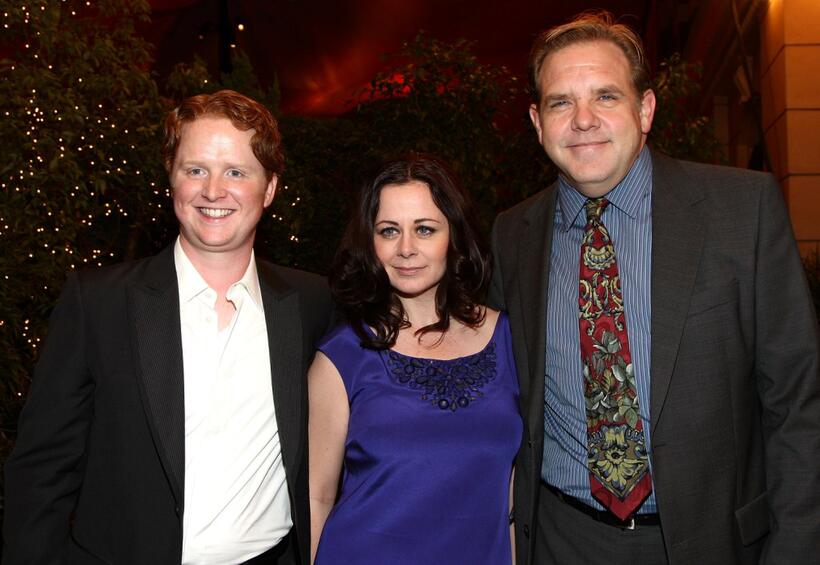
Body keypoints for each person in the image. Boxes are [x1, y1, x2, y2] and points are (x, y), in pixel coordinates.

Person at [489, 10, 820, 565]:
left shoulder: (744, 209)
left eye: (606, 96)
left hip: (714, 543)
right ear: (536, 121)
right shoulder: (511, 235)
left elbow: (798, 402)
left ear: (645, 109)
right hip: (561, 540)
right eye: (560, 102)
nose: (583, 120)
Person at [4, 90, 332, 564]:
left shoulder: (311, 303)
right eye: (195, 169)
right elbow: (41, 469)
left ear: (270, 187)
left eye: (236, 172)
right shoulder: (99, 303)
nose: (213, 190)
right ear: (171, 178)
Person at [308, 155, 522, 564]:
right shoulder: (341, 357)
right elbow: (317, 497)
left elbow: (514, 489)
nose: (406, 249)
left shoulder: (510, 340)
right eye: (389, 231)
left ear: (453, 237)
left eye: (425, 229)